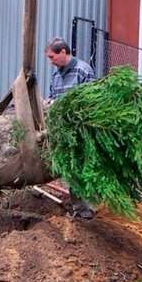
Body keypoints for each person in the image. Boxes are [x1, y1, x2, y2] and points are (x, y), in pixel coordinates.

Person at [44, 37, 97, 219]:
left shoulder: (83, 71)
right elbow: (53, 97)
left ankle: (87, 210)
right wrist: (49, 103)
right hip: (64, 132)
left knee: (83, 169)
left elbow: (90, 103)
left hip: (81, 131)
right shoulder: (56, 75)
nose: (51, 62)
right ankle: (79, 209)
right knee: (72, 170)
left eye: (52, 57)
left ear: (64, 52)